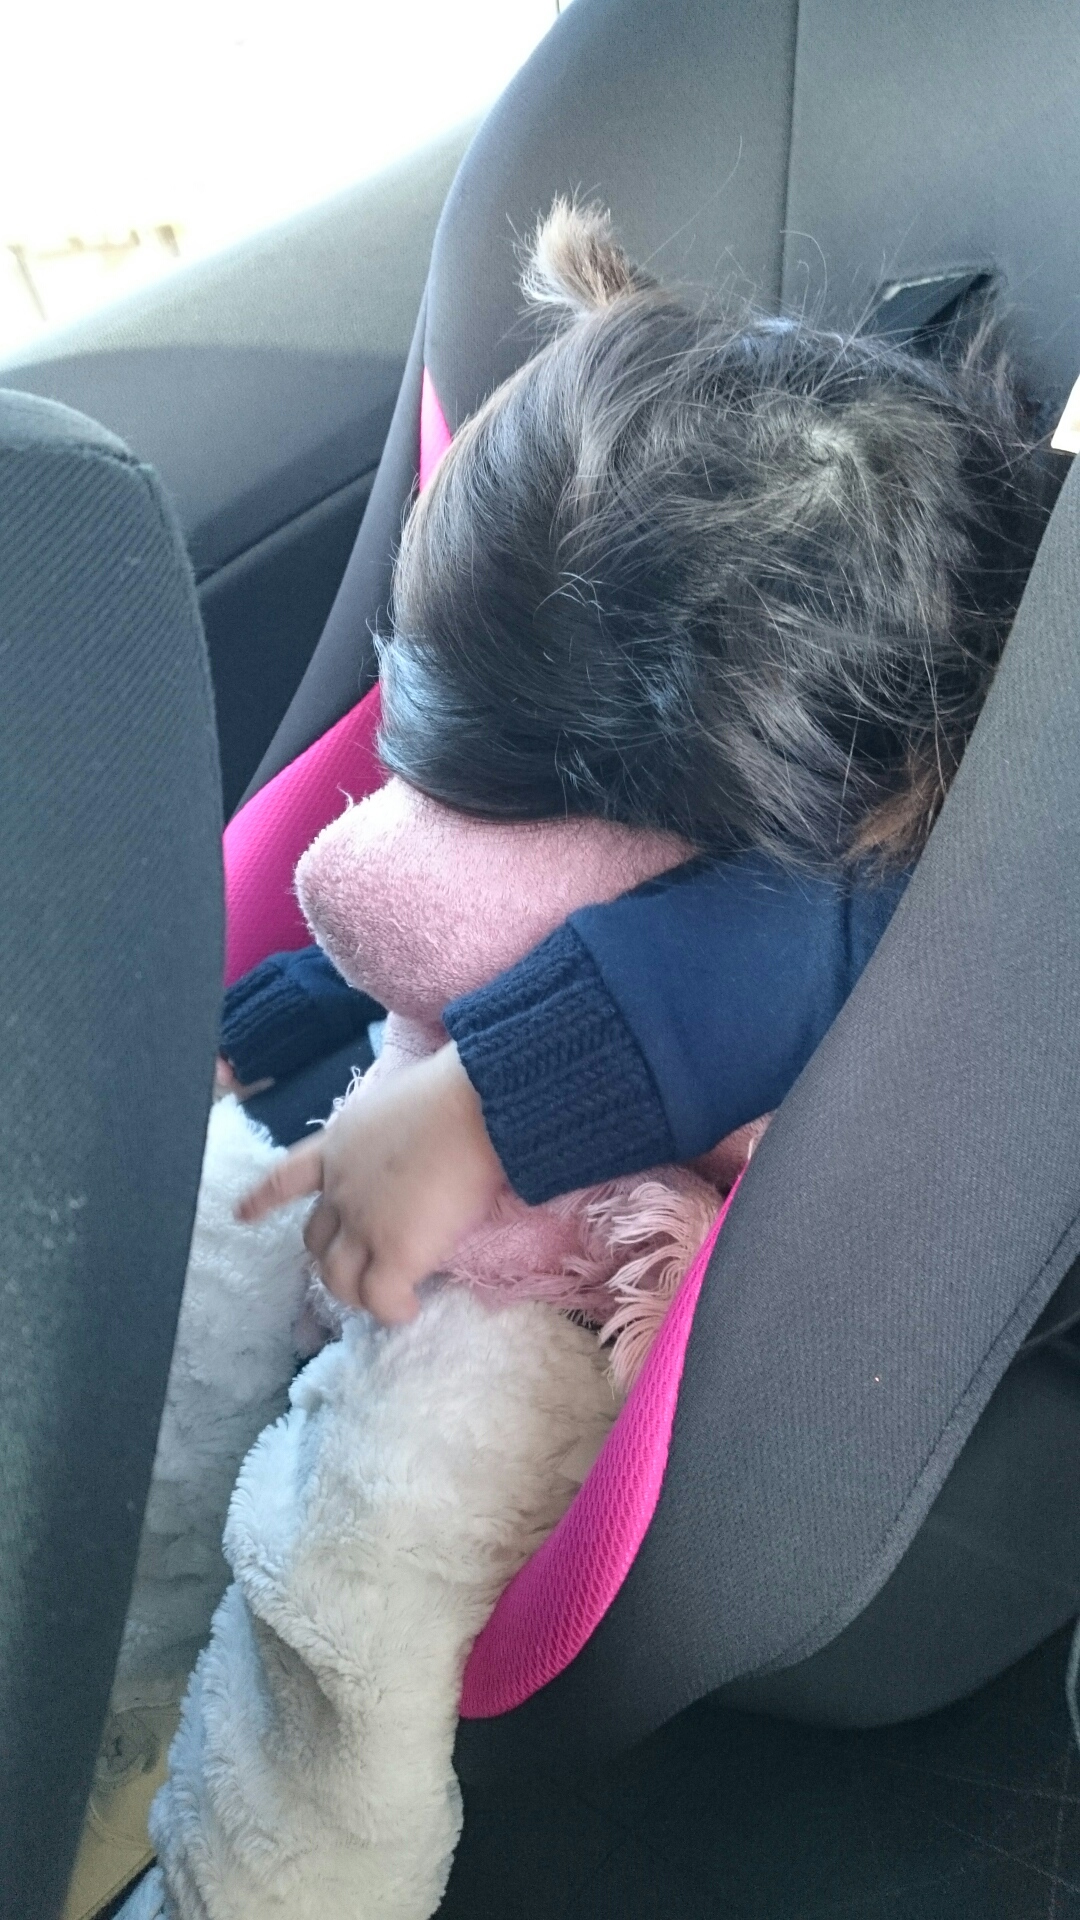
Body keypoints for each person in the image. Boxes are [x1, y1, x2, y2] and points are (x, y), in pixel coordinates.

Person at [231, 198, 1052, 1323]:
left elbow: (828, 932)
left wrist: (479, 1107)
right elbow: (479, 905)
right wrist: (275, 1016)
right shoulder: (706, 667)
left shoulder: (928, 830)